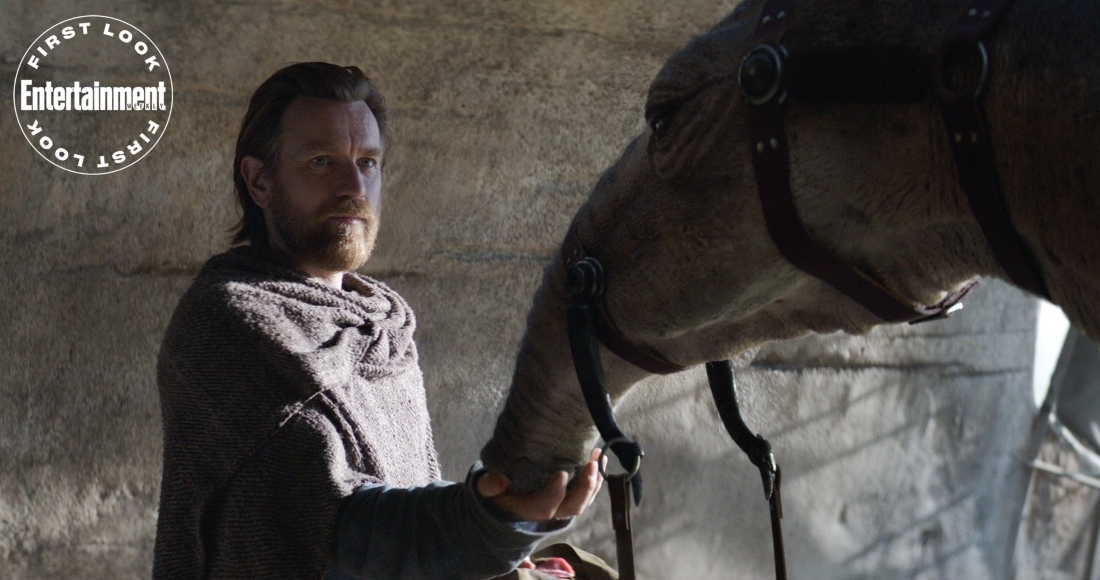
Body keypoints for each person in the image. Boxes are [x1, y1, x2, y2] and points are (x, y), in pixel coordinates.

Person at [153, 62, 603, 579]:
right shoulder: (226, 324)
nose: (353, 186)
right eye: (321, 161)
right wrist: (487, 523)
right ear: (259, 181)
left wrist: (502, 542)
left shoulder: (383, 326)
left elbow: (405, 506)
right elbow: (328, 530)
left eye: (367, 162)